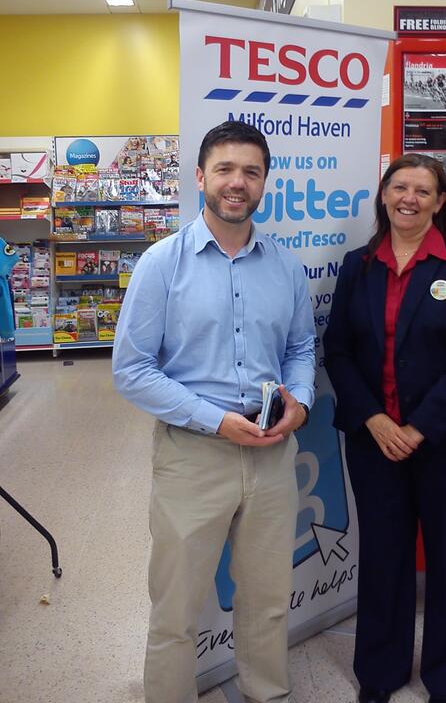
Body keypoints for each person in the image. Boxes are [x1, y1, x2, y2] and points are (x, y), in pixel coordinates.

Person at [112, 120, 316, 703]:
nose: (237, 182)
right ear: (200, 177)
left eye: (251, 172)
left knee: (269, 601)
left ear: (264, 184)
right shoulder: (161, 264)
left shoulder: (286, 267)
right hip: (192, 456)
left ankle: (267, 694)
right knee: (177, 609)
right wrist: (213, 418)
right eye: (225, 169)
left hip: (274, 457)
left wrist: (297, 403)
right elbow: (131, 370)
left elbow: (301, 348)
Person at [323, 153, 446, 703]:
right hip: (374, 440)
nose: (410, 198)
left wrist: (418, 427)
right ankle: (380, 672)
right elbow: (338, 349)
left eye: (424, 191)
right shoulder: (358, 264)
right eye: (400, 187)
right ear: (383, 194)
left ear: (440, 203)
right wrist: (375, 419)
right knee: (383, 555)